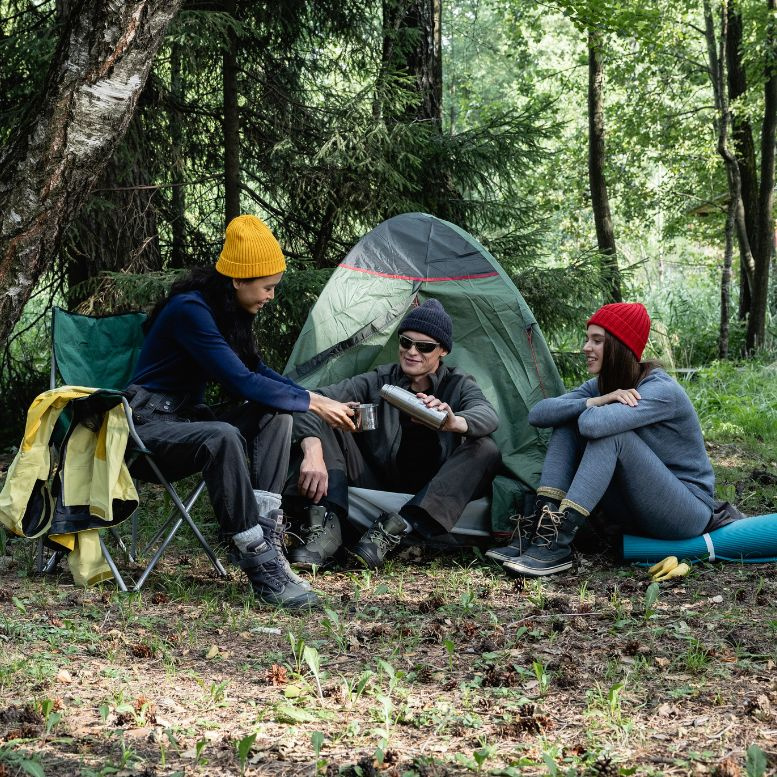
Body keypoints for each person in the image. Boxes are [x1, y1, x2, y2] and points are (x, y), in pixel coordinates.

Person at [125, 214, 355, 607]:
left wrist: (308, 396)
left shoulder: (229, 311)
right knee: (223, 434)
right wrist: (316, 401)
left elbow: (256, 371)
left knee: (275, 415)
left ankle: (265, 539)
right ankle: (257, 560)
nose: (271, 295)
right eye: (266, 287)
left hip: (185, 420)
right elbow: (240, 382)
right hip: (143, 429)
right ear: (238, 280)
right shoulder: (190, 311)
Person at [487, 302, 717, 577]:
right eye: (587, 339)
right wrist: (596, 399)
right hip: (637, 505)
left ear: (621, 347)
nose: (586, 347)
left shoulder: (660, 390)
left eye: (597, 341)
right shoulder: (603, 387)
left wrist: (590, 405)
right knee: (567, 421)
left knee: (609, 434)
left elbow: (593, 425)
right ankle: (543, 532)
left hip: (684, 511)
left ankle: (558, 542)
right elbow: (539, 414)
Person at [285, 299, 502, 570]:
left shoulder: (458, 384)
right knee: (328, 418)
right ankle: (328, 531)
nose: (412, 352)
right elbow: (308, 401)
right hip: (374, 477)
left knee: (486, 449)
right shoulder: (379, 380)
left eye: (424, 347)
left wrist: (452, 421)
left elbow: (488, 415)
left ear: (443, 351)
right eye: (405, 342)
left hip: (434, 488)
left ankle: (395, 531)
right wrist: (313, 450)